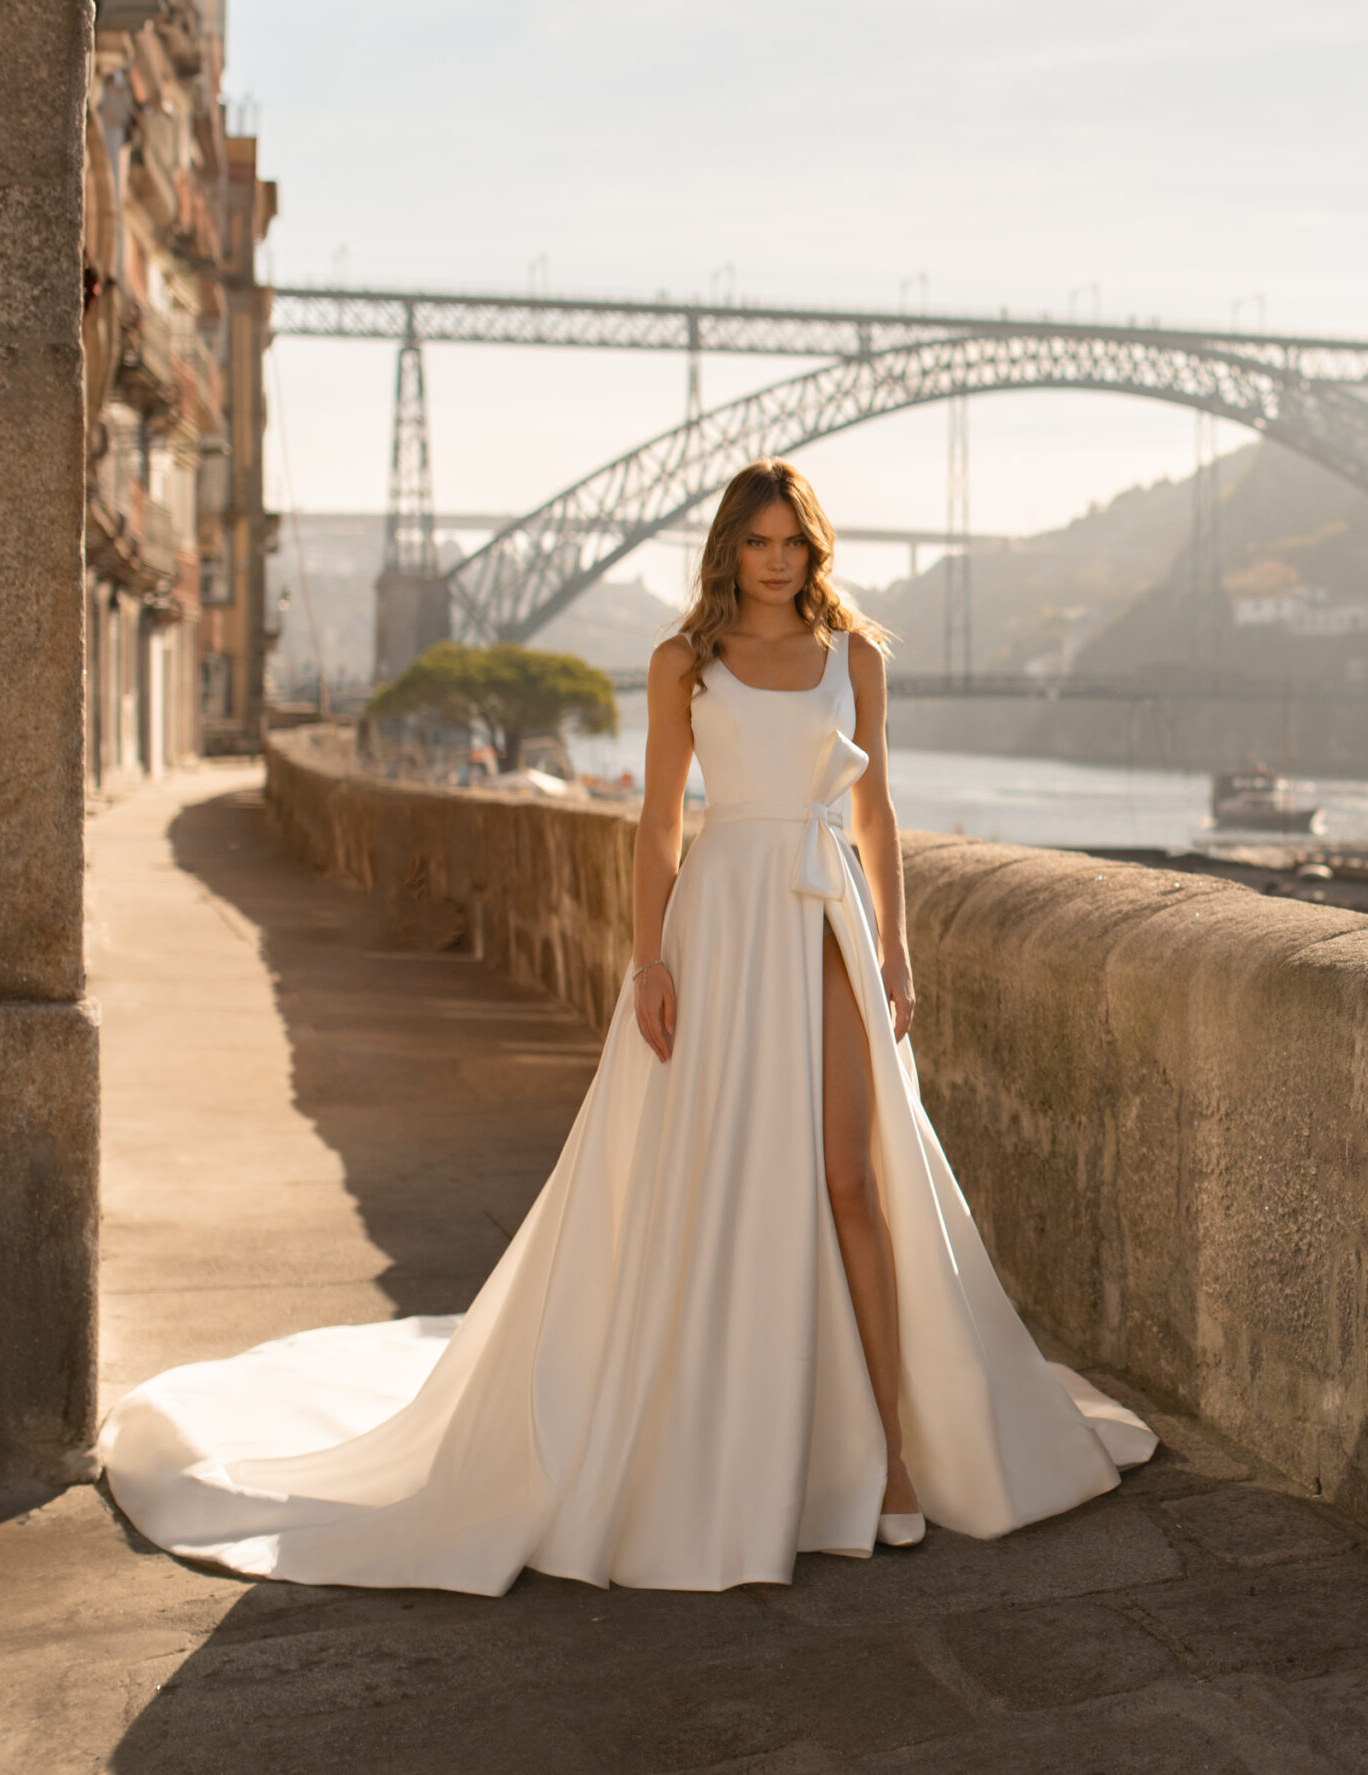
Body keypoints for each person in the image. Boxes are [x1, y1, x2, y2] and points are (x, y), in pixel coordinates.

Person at [100, 460, 1153, 1596]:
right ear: (729, 548)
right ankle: (734, 1455)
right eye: (757, 541)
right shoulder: (684, 662)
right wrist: (648, 959)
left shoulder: (855, 657)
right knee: (719, 1185)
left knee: (853, 1179)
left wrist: (897, 948)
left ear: (814, 547)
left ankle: (894, 1456)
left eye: (793, 540)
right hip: (724, 922)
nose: (776, 560)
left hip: (829, 918)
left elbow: (875, 806)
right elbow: (657, 823)